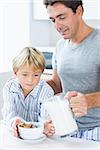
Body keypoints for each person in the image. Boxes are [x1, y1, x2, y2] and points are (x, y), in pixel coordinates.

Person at [43, 0, 100, 141]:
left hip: (96, 130)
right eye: (53, 20)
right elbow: (57, 85)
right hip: (66, 127)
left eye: (62, 17)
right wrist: (30, 84)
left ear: (79, 11)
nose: (57, 26)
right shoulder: (61, 45)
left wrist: (88, 100)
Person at [2, 47, 55, 137]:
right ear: (15, 72)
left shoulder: (47, 92)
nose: (30, 80)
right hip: (15, 134)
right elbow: (9, 113)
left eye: (36, 75)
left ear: (42, 73)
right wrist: (13, 121)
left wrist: (44, 127)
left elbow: (45, 119)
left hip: (37, 136)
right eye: (25, 74)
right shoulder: (9, 87)